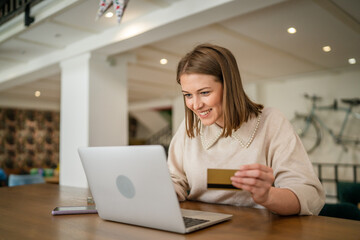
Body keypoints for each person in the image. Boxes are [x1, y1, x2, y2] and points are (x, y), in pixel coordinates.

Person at [167, 43, 325, 216]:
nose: (195, 105)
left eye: (204, 92)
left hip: (256, 229)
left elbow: (309, 195)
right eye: (188, 95)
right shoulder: (189, 127)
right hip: (200, 225)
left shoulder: (271, 121)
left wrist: (268, 196)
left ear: (229, 86)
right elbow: (175, 180)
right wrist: (167, 190)